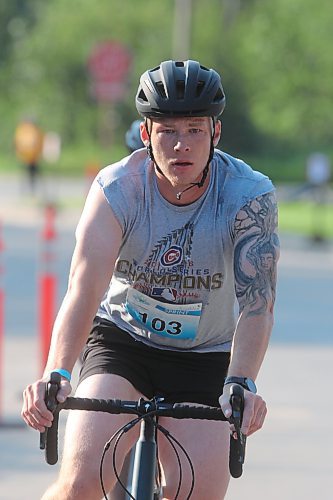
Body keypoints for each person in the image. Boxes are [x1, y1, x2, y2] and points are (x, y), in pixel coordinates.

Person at [22, 59, 280, 499]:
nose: (182, 145)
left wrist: (241, 381)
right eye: (168, 131)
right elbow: (84, 289)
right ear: (146, 135)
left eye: (195, 130)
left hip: (205, 356)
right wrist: (57, 371)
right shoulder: (116, 190)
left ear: (216, 133)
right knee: (81, 485)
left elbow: (257, 305)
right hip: (124, 343)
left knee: (195, 493)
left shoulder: (248, 196)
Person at [14, 117, 44, 194]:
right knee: (33, 173)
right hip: (33, 156)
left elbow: (16, 142)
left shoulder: (21, 129)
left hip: (24, 155)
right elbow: (40, 142)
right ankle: (32, 189)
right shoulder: (35, 129)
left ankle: (25, 190)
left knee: (27, 173)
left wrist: (18, 153)